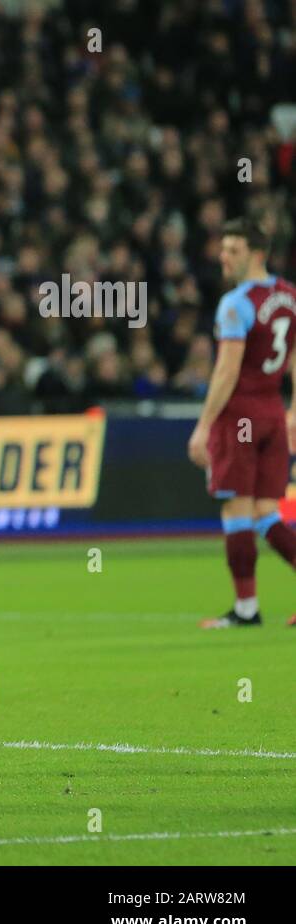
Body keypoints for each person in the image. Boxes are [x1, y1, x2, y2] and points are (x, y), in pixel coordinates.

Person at [188, 217, 296, 629]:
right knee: (267, 513)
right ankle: (247, 610)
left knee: (237, 509)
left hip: (240, 415)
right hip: (272, 410)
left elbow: (226, 373)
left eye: (233, 250)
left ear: (256, 254)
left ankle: (246, 610)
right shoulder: (289, 297)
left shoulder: (236, 303)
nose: (224, 257)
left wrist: (203, 426)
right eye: (223, 249)